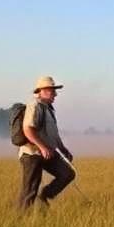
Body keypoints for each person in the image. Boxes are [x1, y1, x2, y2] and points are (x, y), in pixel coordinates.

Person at [16, 75, 75, 209]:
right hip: (32, 154)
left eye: (54, 90)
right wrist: (42, 147)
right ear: (41, 91)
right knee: (30, 188)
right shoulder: (34, 106)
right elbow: (28, 129)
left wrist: (63, 149)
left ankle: (43, 197)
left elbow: (53, 134)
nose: (55, 94)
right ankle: (21, 218)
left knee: (67, 174)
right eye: (52, 90)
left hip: (47, 152)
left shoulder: (48, 109)